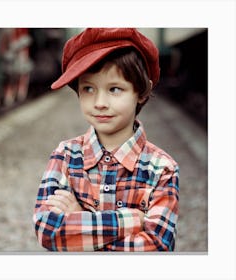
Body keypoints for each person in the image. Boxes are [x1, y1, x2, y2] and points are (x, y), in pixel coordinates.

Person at [33, 28, 179, 252]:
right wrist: (133, 220)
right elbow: (47, 230)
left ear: (141, 91)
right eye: (89, 88)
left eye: (114, 89)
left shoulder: (162, 168)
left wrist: (81, 219)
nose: (100, 102)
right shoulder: (65, 155)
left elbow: (157, 246)